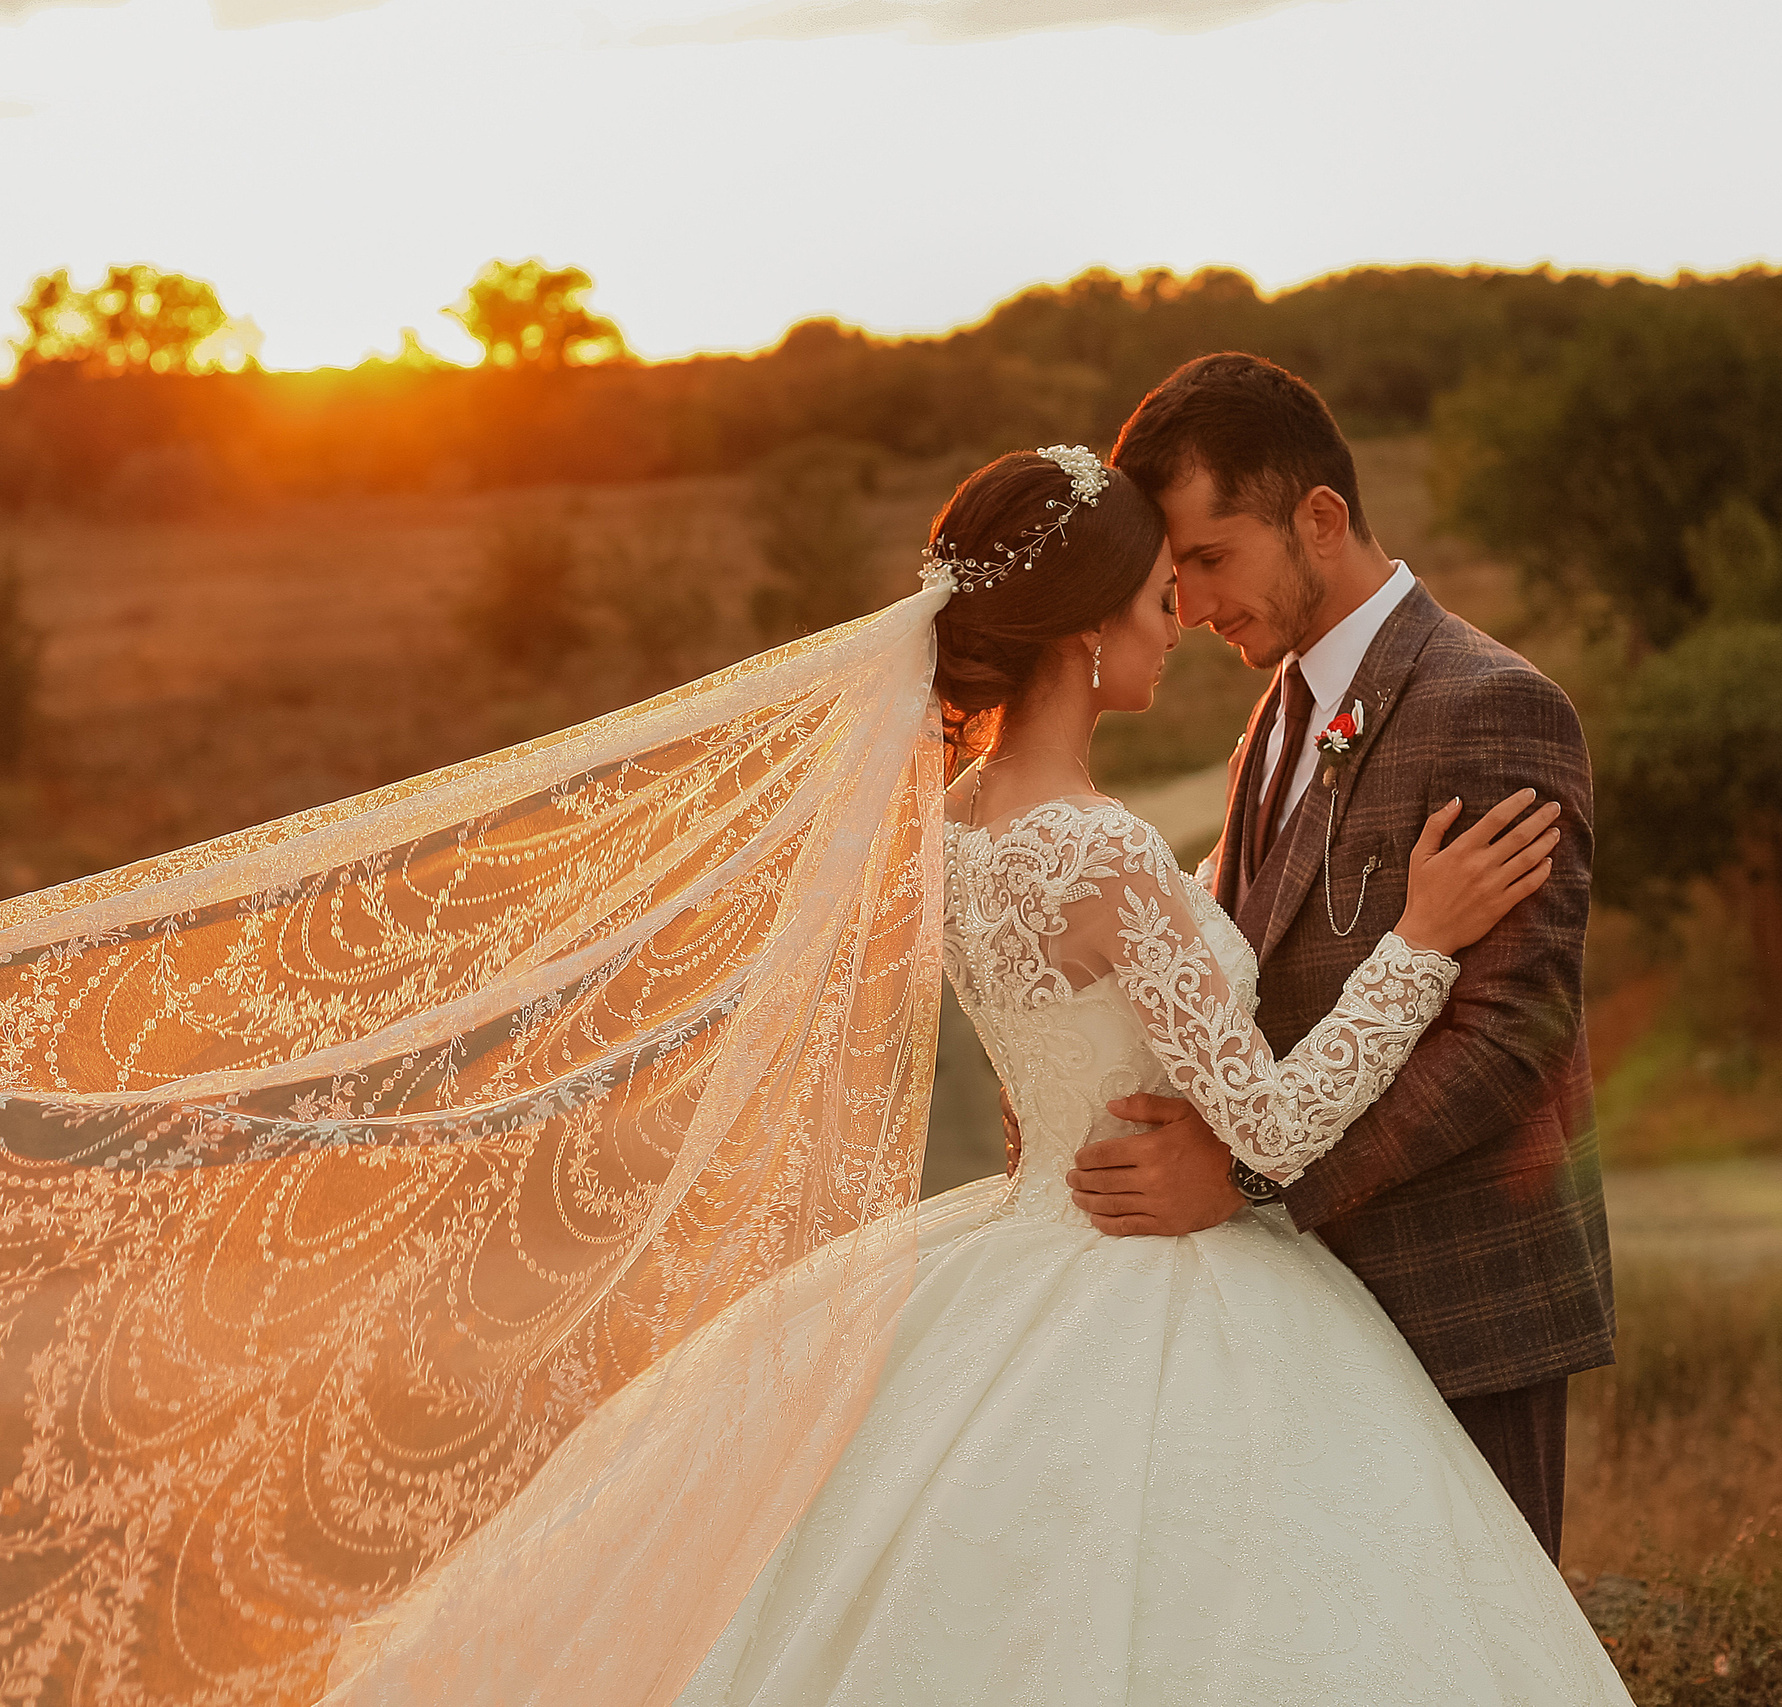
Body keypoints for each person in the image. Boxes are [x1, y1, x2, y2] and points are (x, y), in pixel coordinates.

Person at [325, 445, 1631, 1705]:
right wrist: (1419, 940)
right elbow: (1276, 1118)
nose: (1175, 623)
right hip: (1158, 1268)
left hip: (1032, 1237)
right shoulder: (1102, 852)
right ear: (1083, 633)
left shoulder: (952, 828)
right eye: (1155, 598)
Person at [1050, 354, 1617, 1561]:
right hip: (1297, 1315)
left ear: (1319, 517)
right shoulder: (1282, 711)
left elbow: (1513, 1033)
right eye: (1176, 572)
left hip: (1455, 1301)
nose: (1193, 606)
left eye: (1211, 558)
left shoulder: (1491, 707)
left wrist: (1253, 1178)